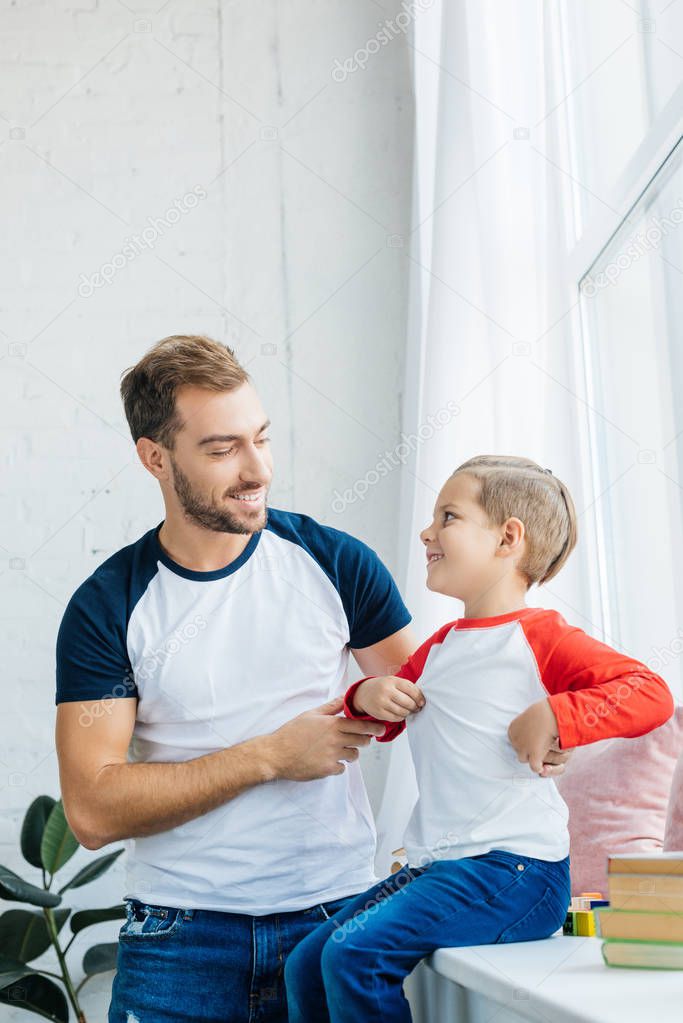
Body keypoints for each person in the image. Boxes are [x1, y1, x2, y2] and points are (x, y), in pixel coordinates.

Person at [54, 333, 418, 1023]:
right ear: (155, 457)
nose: (257, 470)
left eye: (261, 438)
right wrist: (271, 755)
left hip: (333, 923)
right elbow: (93, 810)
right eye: (222, 449)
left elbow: (440, 711)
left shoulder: (335, 562)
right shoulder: (109, 604)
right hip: (178, 940)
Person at [284, 455, 675, 1023]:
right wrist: (366, 696)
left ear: (508, 538)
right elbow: (386, 717)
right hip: (441, 869)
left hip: (517, 873)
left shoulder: (543, 638)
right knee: (306, 962)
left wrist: (558, 715)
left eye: (448, 516)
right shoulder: (440, 646)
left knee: (353, 955)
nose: (427, 531)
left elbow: (649, 693)